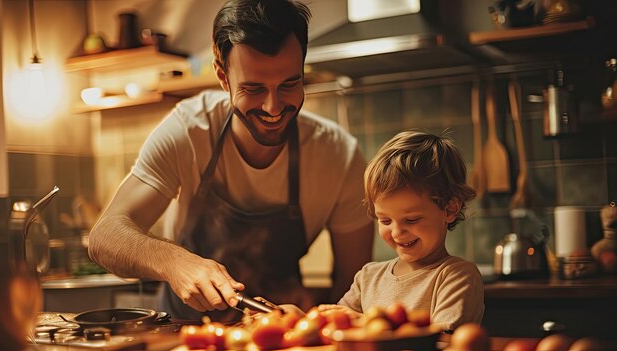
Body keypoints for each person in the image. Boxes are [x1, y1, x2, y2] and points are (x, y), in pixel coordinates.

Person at [88, 0, 374, 322]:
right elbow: (105, 236)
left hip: (277, 339)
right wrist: (176, 262)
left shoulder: (338, 155)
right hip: (185, 334)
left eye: (289, 85)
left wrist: (313, 315)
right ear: (223, 76)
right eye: (253, 88)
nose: (273, 107)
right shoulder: (189, 131)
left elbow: (352, 287)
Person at [315, 130, 484, 331]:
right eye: (385, 220)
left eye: (411, 220)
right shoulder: (368, 277)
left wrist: (362, 322)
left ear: (449, 209)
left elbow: (441, 340)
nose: (396, 232)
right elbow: (337, 331)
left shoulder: (456, 276)